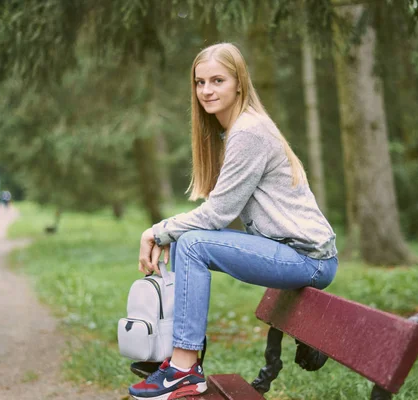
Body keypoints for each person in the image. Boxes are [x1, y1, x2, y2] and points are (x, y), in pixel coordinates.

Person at [128, 43, 338, 400]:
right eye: (200, 82)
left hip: (309, 259)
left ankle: (183, 368)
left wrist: (156, 231)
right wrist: (170, 234)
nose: (206, 91)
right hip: (289, 253)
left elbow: (217, 215)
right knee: (186, 240)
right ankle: (180, 358)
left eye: (217, 80)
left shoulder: (249, 131)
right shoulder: (232, 131)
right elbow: (216, 212)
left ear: (239, 82)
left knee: (190, 242)